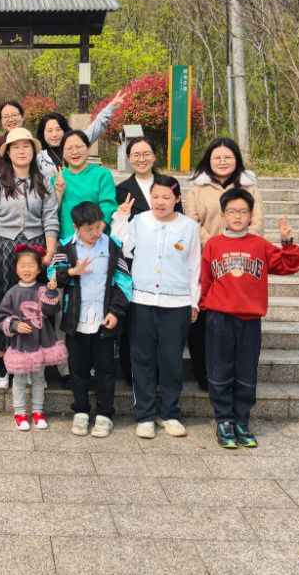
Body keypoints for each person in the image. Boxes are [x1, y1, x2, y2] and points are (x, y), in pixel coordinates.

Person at [202, 189, 299, 449]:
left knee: (246, 371)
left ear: (250, 216)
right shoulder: (213, 244)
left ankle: (241, 421)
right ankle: (224, 420)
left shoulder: (259, 244)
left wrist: (287, 241)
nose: (237, 216)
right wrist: (204, 307)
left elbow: (289, 265)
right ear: (223, 215)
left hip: (249, 320)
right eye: (232, 211)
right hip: (219, 318)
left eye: (243, 211)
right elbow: (205, 279)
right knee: (219, 369)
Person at [112, 175, 201, 440]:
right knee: (142, 358)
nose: (160, 202)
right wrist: (121, 218)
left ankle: (170, 413)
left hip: (177, 303)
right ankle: (145, 415)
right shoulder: (140, 221)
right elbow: (120, 246)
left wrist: (194, 301)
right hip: (142, 301)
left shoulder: (189, 226)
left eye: (166, 197)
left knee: (172, 359)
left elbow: (194, 266)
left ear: (177, 199)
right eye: (155, 196)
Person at [0, 128, 60, 390]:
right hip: (4, 247)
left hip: (36, 247)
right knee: (5, 302)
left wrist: (49, 252)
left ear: (33, 151)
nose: (21, 151)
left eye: (26, 146)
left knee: (37, 304)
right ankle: (4, 364)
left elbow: (50, 217)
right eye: (16, 147)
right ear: (8, 153)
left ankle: (37, 364)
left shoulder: (43, 181)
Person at [183, 136, 264, 391]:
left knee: (235, 321)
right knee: (203, 319)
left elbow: (257, 223)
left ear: (236, 159)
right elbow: (191, 222)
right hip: (205, 260)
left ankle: (234, 377)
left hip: (240, 263)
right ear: (208, 160)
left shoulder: (249, 188)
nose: (222, 161)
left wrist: (238, 246)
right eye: (216, 157)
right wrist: (215, 244)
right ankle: (205, 376)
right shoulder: (196, 189)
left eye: (227, 157)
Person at [50, 201, 131, 439]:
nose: (95, 232)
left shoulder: (113, 245)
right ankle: (81, 411)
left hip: (105, 319)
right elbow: (52, 275)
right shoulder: (66, 246)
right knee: (78, 368)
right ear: (76, 227)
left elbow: (125, 281)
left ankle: (105, 414)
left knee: (106, 368)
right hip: (76, 319)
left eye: (98, 226)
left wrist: (115, 312)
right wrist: (72, 272)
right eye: (89, 229)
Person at [113, 135, 183, 386]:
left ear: (154, 156)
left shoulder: (168, 184)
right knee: (134, 321)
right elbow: (119, 230)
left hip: (166, 263)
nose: (141, 159)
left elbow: (180, 219)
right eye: (135, 155)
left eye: (146, 154)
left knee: (163, 323)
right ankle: (133, 374)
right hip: (135, 264)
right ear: (128, 159)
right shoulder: (122, 189)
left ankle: (162, 374)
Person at [0, 244, 67, 431]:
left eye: (31, 265)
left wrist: (51, 292)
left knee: (38, 378)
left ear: (39, 268)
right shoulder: (12, 292)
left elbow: (50, 310)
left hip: (40, 342)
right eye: (22, 265)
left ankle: (38, 411)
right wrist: (15, 325)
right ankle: (19, 413)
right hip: (21, 344)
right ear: (16, 268)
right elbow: (1, 317)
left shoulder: (42, 289)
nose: (26, 269)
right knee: (19, 379)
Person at [34, 89, 125, 180]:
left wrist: (111, 107)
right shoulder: (39, 158)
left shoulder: (76, 143)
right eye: (49, 130)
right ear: (43, 133)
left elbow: (96, 126)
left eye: (58, 129)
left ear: (64, 129)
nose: (54, 134)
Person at [52, 130, 119, 242]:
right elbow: (51, 212)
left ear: (88, 148)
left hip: (98, 241)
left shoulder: (102, 174)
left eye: (79, 147)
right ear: (62, 152)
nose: (74, 152)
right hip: (67, 242)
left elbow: (108, 207)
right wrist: (59, 192)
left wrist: (94, 235)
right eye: (69, 148)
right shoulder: (57, 178)